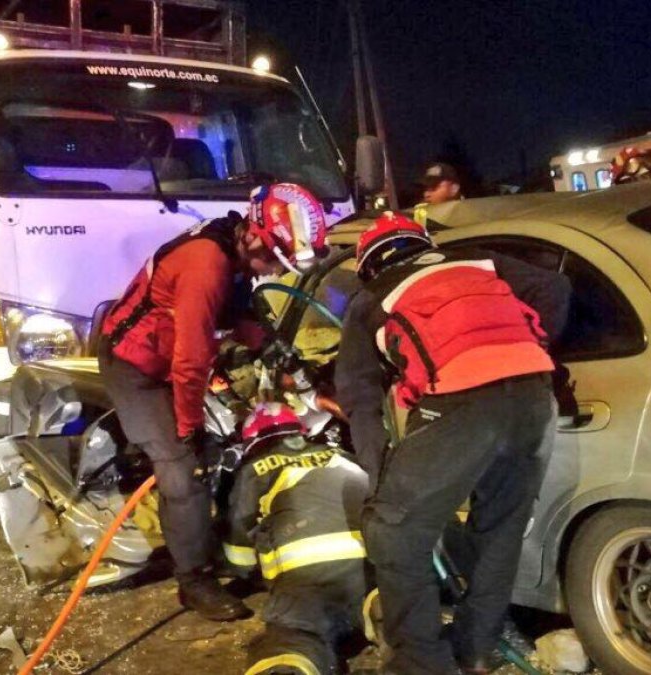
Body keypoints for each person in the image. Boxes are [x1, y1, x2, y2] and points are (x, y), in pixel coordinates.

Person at [336, 212, 571, 674]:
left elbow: (360, 399)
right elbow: (556, 289)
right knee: (499, 533)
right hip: (534, 397)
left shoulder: (370, 300)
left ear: (369, 265)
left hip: (462, 402)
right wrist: (529, 343)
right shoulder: (479, 261)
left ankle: (421, 663)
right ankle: (474, 651)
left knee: (396, 535)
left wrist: (381, 475)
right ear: (422, 243)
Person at [98, 183, 329, 621]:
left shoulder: (235, 247)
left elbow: (246, 319)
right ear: (254, 236)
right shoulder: (205, 264)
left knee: (230, 442)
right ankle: (194, 581)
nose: (273, 272)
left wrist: (284, 360)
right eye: (271, 261)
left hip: (170, 359)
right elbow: (190, 362)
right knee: (184, 469)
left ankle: (217, 543)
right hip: (136, 367)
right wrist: (188, 428)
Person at [221, 403, 370, 675]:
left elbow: (239, 544)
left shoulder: (254, 470)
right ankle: (389, 614)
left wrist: (245, 573)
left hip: (307, 583)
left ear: (252, 442)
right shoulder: (342, 454)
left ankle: (290, 663)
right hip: (376, 566)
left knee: (292, 639)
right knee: (400, 609)